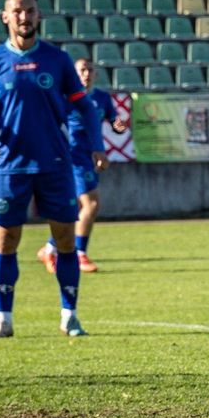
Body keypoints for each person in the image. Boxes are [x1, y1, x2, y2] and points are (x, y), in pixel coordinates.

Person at [0, 0, 107, 340]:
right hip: (8, 167)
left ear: (39, 16)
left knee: (64, 240)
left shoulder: (57, 60)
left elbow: (85, 106)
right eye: (17, 11)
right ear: (5, 17)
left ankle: (69, 316)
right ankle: (3, 319)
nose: (24, 17)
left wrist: (97, 146)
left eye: (30, 11)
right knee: (6, 239)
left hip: (55, 164)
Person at [36, 58, 126, 274]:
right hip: (71, 157)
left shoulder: (102, 98)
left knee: (75, 206)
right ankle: (79, 254)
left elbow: (115, 121)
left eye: (90, 70)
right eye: (82, 70)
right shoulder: (65, 97)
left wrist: (119, 126)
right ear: (74, 74)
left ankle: (49, 248)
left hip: (90, 158)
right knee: (91, 204)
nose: (87, 74)